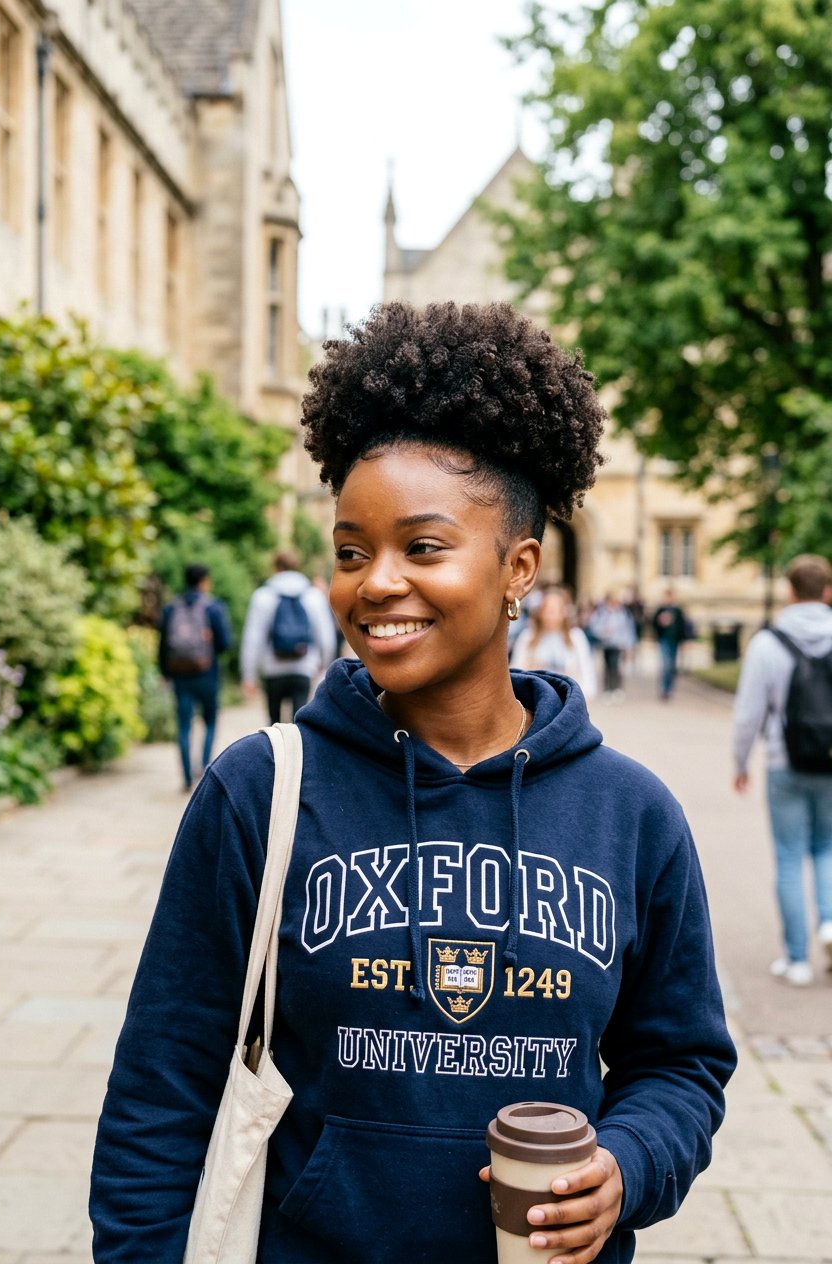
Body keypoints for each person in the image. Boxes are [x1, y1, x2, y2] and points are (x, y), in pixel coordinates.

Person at [91, 302, 736, 1263]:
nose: (375, 583)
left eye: (422, 547)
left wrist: (627, 1166)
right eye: (352, 552)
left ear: (519, 568)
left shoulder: (632, 814)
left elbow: (680, 1062)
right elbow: (162, 1084)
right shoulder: (261, 791)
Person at [733, 553, 832, 986]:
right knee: (827, 848)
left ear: (790, 591)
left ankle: (797, 960)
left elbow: (748, 713)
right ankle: (829, 922)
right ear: (827, 591)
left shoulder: (768, 643)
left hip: (784, 761)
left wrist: (740, 762)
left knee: (790, 856)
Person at [240, 547, 337, 721]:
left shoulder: (263, 596)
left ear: (276, 567)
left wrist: (249, 676)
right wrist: (324, 665)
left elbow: (253, 638)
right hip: (304, 667)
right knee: (299, 722)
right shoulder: (312, 595)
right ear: (298, 566)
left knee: (273, 725)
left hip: (273, 669)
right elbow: (326, 636)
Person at [158, 563, 232, 792]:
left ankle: (187, 777)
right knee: (210, 721)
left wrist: (164, 672)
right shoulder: (213, 607)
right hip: (207, 674)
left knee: (183, 725)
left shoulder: (171, 608)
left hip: (180, 675)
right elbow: (225, 643)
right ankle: (205, 771)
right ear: (204, 581)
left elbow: (163, 645)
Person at [511, 585, 598, 699]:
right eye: (547, 609)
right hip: (535, 699)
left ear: (564, 612)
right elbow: (515, 670)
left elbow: (587, 673)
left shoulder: (576, 637)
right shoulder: (528, 637)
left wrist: (581, 696)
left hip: (568, 699)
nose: (551, 614)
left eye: (555, 610)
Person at [588, 593, 637, 700]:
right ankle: (608, 688)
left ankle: (616, 688)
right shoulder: (601, 613)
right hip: (606, 644)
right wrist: (603, 632)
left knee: (615, 666)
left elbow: (627, 629)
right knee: (607, 667)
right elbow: (593, 626)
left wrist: (628, 645)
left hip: (618, 644)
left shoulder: (623, 613)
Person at [652, 588, 688, 700]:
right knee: (665, 665)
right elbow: (653, 624)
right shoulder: (661, 609)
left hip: (675, 640)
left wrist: (684, 641)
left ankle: (670, 688)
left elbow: (682, 626)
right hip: (664, 639)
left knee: (672, 665)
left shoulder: (678, 610)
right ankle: (664, 688)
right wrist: (660, 621)